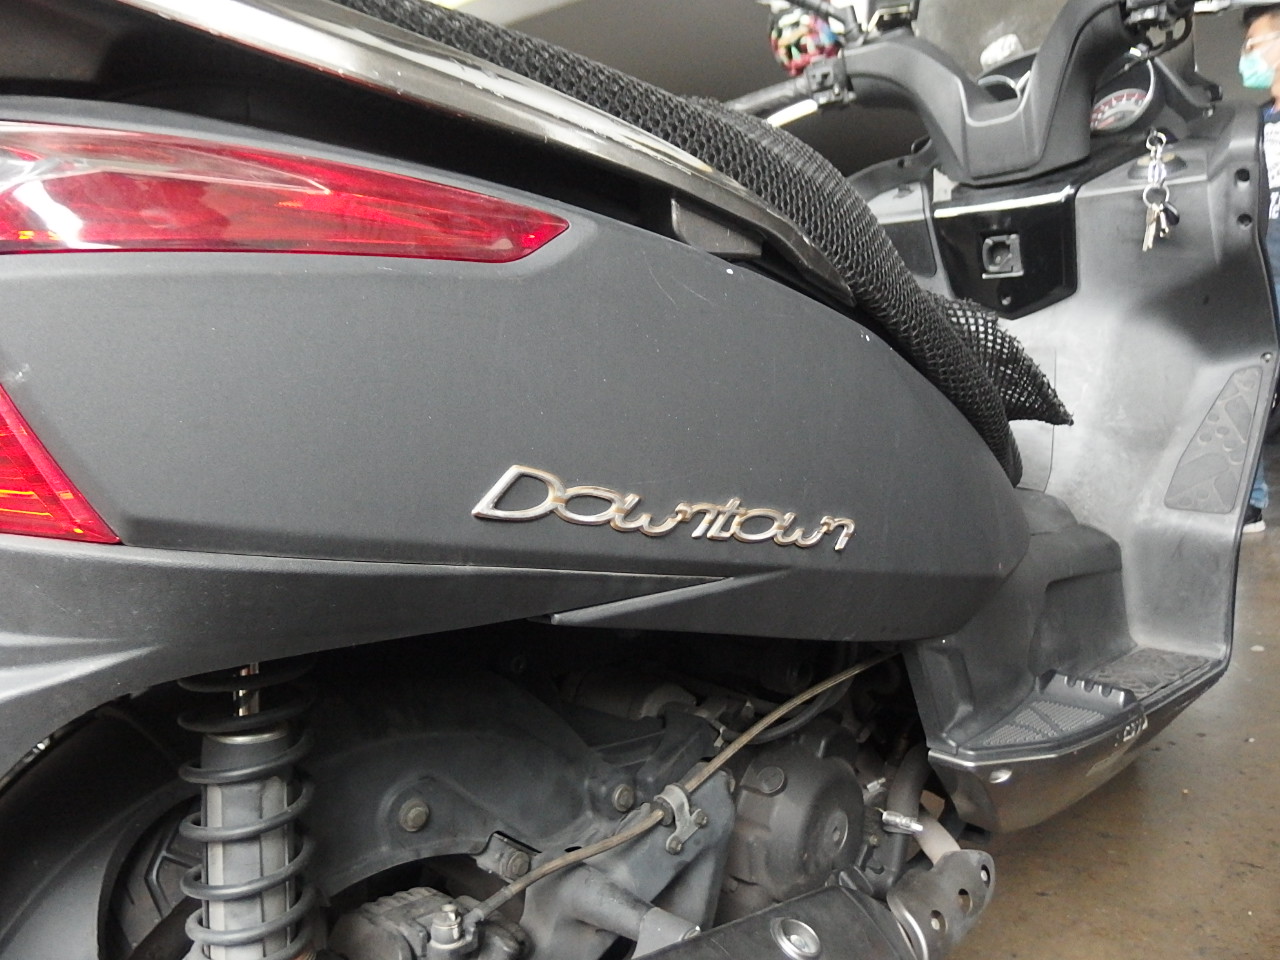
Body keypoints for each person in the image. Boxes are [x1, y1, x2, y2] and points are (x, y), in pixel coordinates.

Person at [1239, 3, 1280, 532]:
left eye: (1254, 45)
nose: (1246, 56)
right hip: (1263, 254)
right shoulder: (1254, 124)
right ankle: (1250, 501)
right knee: (1250, 372)